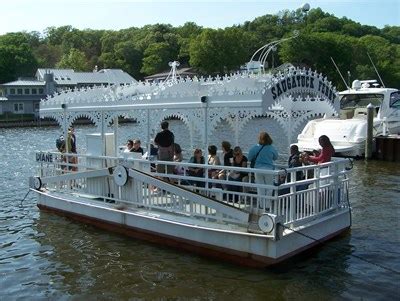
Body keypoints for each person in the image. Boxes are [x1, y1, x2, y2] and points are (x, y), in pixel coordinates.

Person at [248, 132, 278, 209]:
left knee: (260, 187)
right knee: (269, 187)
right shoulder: (271, 148)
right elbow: (275, 157)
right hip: (268, 170)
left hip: (258, 169)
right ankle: (267, 206)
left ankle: (261, 205)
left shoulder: (255, 147)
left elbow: (249, 157)